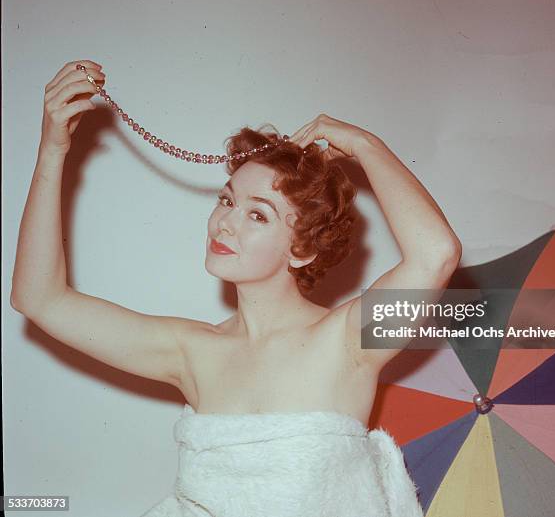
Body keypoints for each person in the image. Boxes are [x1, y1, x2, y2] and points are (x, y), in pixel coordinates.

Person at [11, 60, 462, 517]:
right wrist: (53, 149)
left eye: (258, 214)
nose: (225, 221)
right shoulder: (191, 351)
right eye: (227, 199)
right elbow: (38, 298)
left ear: (303, 249)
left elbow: (435, 253)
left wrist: (366, 146)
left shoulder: (346, 341)